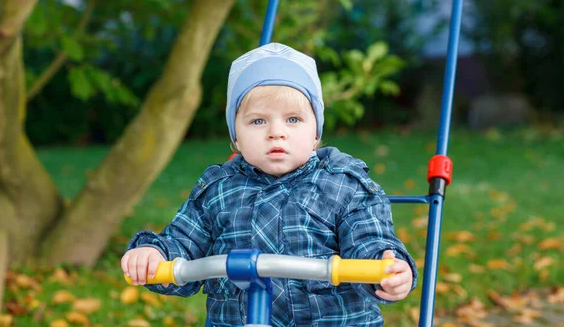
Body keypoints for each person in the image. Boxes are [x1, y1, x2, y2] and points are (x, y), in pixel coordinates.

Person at [121, 43, 417, 326]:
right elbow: (182, 242)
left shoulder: (343, 185)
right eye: (258, 122)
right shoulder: (217, 191)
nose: (276, 132)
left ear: (316, 132)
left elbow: (368, 237)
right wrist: (155, 255)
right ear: (235, 137)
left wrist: (384, 266)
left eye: (293, 119)